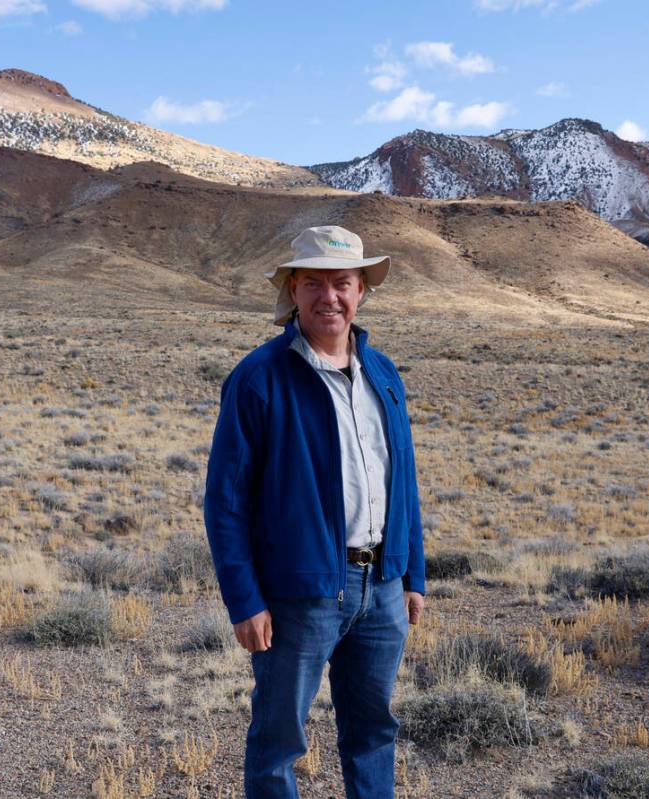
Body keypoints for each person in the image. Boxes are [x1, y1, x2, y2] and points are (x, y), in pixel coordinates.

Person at [204, 225, 426, 799]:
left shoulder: (383, 374)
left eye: (342, 283)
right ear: (293, 292)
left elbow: (402, 481)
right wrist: (245, 601)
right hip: (298, 596)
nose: (330, 296)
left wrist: (411, 573)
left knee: (374, 730)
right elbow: (225, 503)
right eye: (314, 284)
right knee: (279, 740)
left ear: (361, 291)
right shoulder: (259, 378)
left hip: (382, 586)